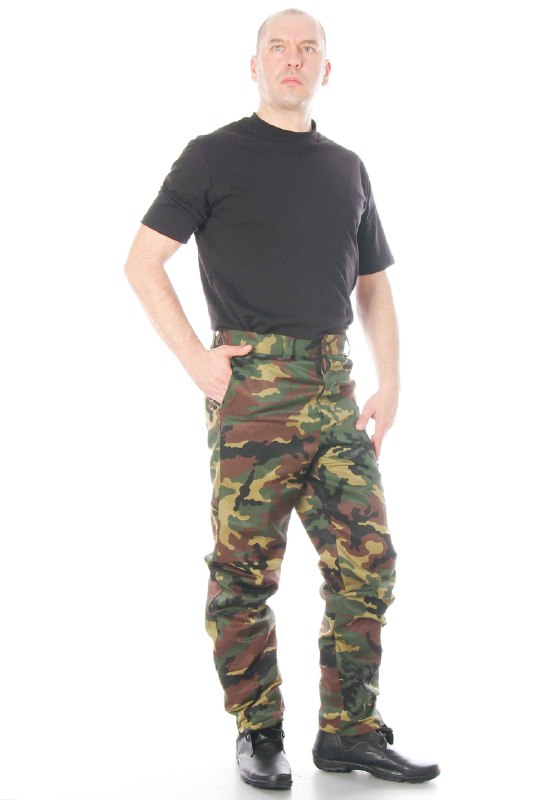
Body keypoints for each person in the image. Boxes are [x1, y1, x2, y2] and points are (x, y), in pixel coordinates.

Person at [124, 7, 440, 790]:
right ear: (255, 64)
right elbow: (143, 261)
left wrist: (391, 382)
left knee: (369, 563)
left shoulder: (347, 168)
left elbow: (374, 285)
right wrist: (196, 360)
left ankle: (348, 732)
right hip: (252, 394)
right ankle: (259, 732)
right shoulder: (212, 156)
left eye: (308, 49)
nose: (292, 59)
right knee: (243, 574)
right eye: (278, 47)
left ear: (326, 69)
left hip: (333, 389)